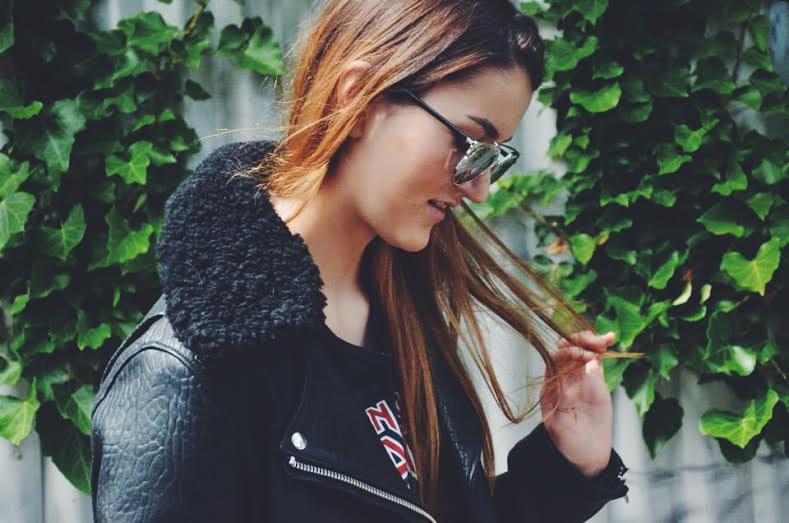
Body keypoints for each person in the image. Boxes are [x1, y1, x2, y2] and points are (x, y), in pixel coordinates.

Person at [89, 1, 630, 521]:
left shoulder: (401, 308)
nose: (480, 188)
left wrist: (563, 471)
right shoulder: (183, 373)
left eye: (494, 156)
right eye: (469, 143)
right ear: (358, 99)